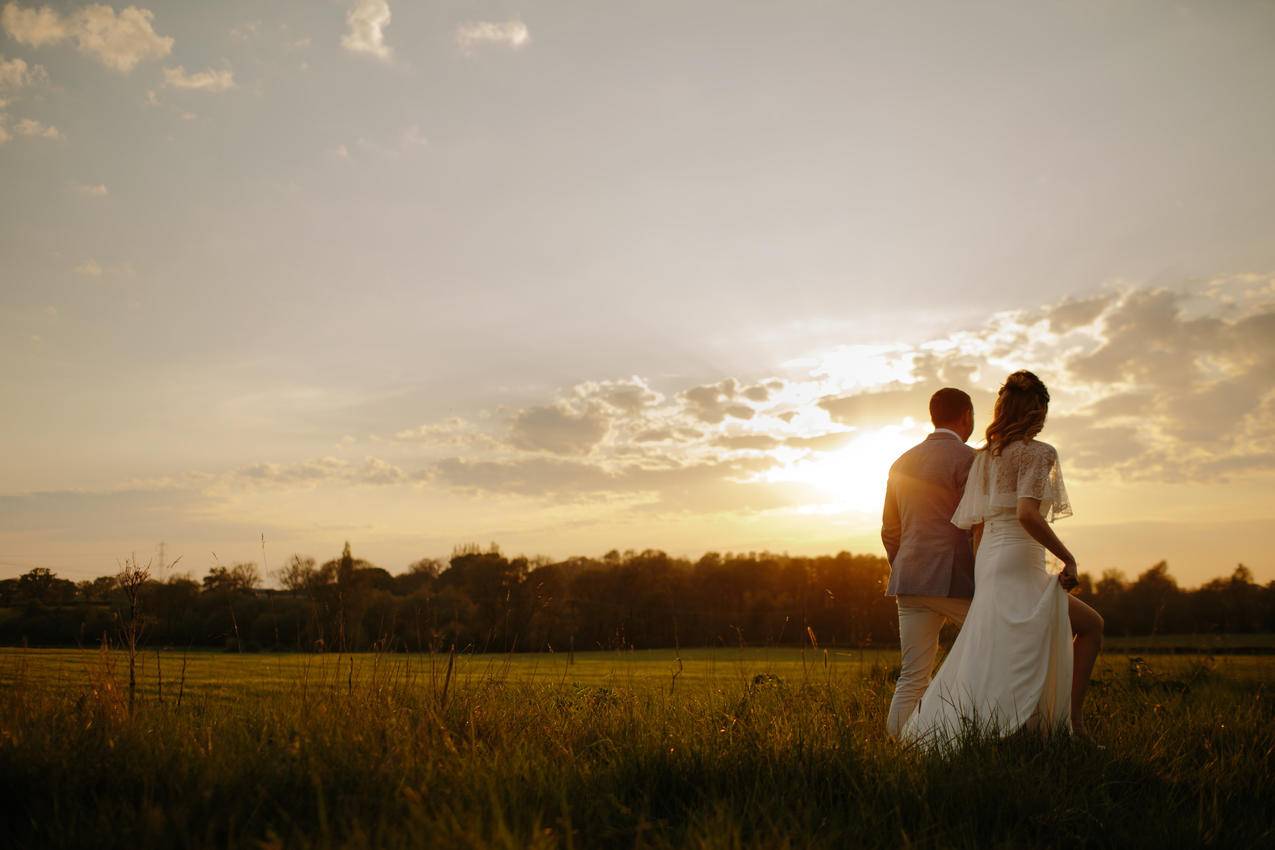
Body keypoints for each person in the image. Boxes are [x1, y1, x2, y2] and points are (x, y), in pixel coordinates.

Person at [900, 370, 1104, 748]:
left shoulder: (985, 458)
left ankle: (1017, 728)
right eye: (1043, 408)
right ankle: (1071, 727)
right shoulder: (1040, 453)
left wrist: (983, 574)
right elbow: (1027, 513)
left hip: (991, 561)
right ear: (1035, 410)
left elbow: (975, 527)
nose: (1044, 417)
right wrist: (1068, 558)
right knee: (1091, 626)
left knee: (1002, 644)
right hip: (1018, 559)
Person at [881, 387, 977, 738]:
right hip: (955, 580)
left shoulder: (900, 462)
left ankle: (896, 749)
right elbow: (975, 524)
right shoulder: (969, 458)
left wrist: (906, 565)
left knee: (912, 676)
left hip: (908, 580)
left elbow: (889, 530)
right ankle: (975, 734)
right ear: (966, 416)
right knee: (992, 650)